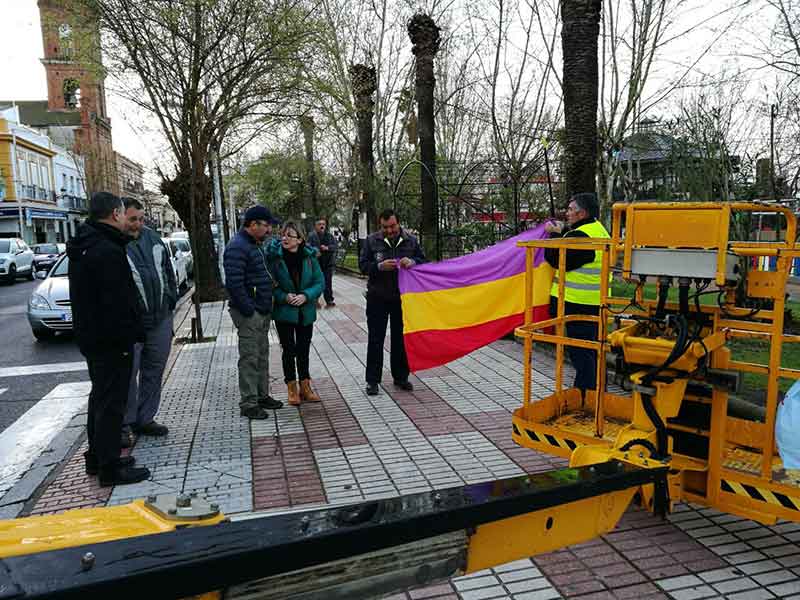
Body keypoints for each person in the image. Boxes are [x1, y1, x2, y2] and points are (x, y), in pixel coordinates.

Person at [67, 192, 150, 486]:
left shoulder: (86, 245)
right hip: (112, 340)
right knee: (112, 403)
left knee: (100, 399)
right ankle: (110, 467)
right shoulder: (107, 250)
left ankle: (98, 457)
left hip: (94, 338)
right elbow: (118, 302)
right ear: (116, 213)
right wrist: (132, 333)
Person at [544, 192, 610, 401]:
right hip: (596, 303)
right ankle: (597, 393)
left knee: (582, 354)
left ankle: (586, 398)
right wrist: (563, 231)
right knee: (593, 351)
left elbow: (555, 258)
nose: (567, 213)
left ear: (582, 213)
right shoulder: (597, 230)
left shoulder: (581, 237)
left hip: (578, 304)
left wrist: (554, 236)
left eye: (571, 209)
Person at [122, 198, 177, 447]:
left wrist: (171, 301)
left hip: (160, 318)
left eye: (141, 219)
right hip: (132, 323)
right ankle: (125, 423)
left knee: (154, 370)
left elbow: (168, 271)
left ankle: (146, 418)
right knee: (127, 374)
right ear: (120, 216)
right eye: (133, 219)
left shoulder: (154, 239)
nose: (138, 224)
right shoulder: (116, 242)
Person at [223, 205, 283, 420]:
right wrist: (250, 309)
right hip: (250, 312)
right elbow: (234, 283)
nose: (269, 230)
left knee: (262, 354)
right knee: (250, 357)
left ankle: (261, 395)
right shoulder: (238, 247)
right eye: (266, 225)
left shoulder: (255, 244)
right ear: (253, 224)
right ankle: (248, 403)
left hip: (262, 309)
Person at [359, 209, 426, 396]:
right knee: (375, 339)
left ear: (399, 223)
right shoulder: (372, 241)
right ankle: (372, 380)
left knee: (400, 339)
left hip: (401, 299)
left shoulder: (411, 240)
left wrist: (413, 261)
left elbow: (423, 261)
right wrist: (378, 267)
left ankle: (401, 377)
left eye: (392, 226)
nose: (389, 230)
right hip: (377, 298)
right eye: (385, 227)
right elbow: (362, 265)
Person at [265, 221, 324, 405]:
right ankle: (291, 389)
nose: (285, 238)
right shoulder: (275, 259)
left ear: (299, 239)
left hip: (305, 311)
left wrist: (307, 296)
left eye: (290, 235)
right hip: (285, 312)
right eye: (283, 234)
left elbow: (319, 282)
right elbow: (270, 285)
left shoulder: (309, 257)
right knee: (288, 350)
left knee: (303, 349)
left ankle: (305, 387)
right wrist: (284, 296)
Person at [307, 217, 338, 308]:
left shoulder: (329, 236)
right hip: (316, 264)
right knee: (316, 282)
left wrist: (327, 248)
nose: (321, 226)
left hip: (328, 264)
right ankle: (315, 300)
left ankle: (329, 300)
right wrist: (315, 251)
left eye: (323, 224)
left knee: (328, 282)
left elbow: (335, 247)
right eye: (319, 224)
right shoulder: (311, 236)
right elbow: (307, 246)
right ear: (315, 226)